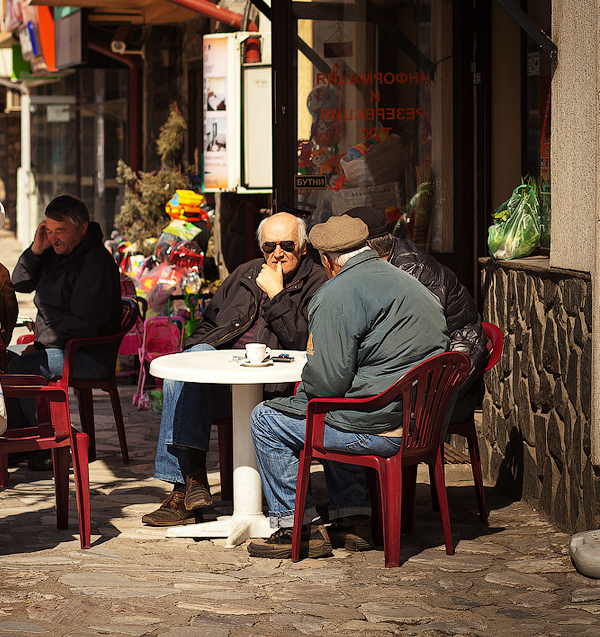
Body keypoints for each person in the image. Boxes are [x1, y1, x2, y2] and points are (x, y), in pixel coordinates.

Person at [248, 214, 449, 559]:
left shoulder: (336, 292)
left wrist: (302, 392)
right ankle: (352, 520)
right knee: (341, 405)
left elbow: (327, 381)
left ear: (327, 261)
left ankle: (294, 529)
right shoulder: (408, 281)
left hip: (381, 429)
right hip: (422, 426)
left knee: (267, 419)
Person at [142, 212, 328, 527]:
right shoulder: (244, 273)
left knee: (184, 379)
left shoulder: (319, 282)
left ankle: (183, 489)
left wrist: (277, 295)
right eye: (270, 246)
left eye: (286, 245)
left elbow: (305, 341)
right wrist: (196, 351)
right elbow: (209, 323)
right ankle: (191, 482)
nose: (277, 253)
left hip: (274, 387)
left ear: (304, 247)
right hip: (225, 377)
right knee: (184, 371)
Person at [344, 206, 489, 425]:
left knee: (346, 414)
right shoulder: (383, 264)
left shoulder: (411, 275)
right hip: (420, 381)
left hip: (445, 392)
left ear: (361, 248)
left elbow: (410, 347)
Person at [9, 194, 121, 382]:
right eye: (49, 231)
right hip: (55, 346)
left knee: (21, 367)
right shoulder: (55, 253)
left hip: (87, 354)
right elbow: (20, 284)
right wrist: (35, 252)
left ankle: (38, 414)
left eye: (60, 231)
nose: (53, 238)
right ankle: (19, 413)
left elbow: (83, 322)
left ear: (83, 228)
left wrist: (40, 346)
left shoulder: (96, 262)